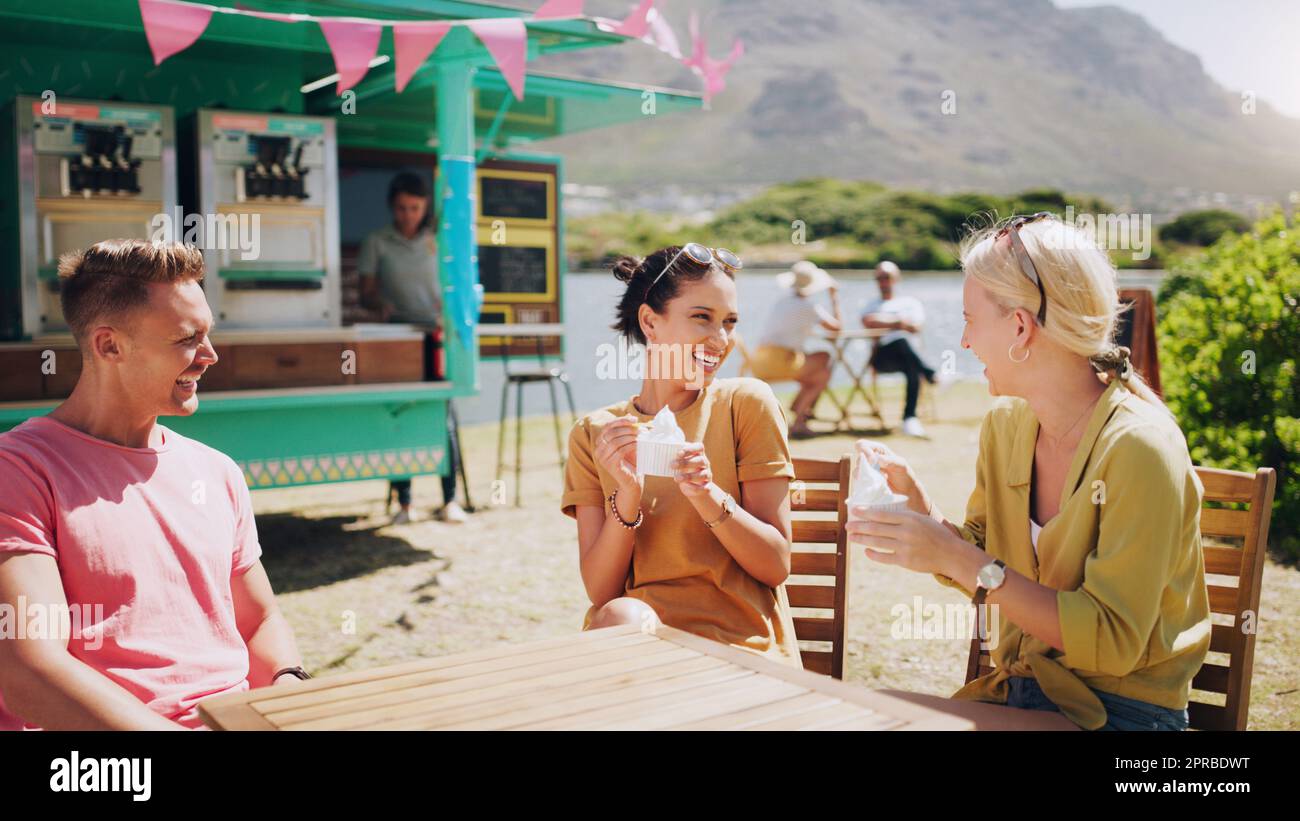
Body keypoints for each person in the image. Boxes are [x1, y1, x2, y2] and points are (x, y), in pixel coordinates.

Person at [846, 214, 1210, 730]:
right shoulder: (1007, 426)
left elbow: (1112, 642)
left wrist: (955, 555)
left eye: (970, 319)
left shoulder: (1139, 447)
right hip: (1020, 696)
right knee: (864, 714)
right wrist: (923, 515)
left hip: (1121, 714)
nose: (966, 342)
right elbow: (983, 557)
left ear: (1019, 326)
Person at [0, 240, 306, 730]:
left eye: (207, 335)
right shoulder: (18, 471)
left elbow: (259, 622)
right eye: (187, 339)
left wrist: (289, 691)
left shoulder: (217, 471)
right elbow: (29, 670)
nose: (209, 356)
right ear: (109, 346)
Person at [560, 244, 802, 666]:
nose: (721, 339)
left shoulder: (745, 403)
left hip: (741, 649)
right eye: (702, 318)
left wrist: (707, 494)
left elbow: (775, 565)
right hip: (639, 648)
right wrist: (627, 493)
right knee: (619, 614)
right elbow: (601, 593)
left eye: (729, 322)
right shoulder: (595, 434)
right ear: (651, 322)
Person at [357, 172, 466, 525]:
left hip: (436, 336)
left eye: (415, 208)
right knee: (399, 416)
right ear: (392, 206)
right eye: (402, 208)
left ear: (424, 208)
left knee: (442, 416)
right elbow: (365, 292)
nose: (408, 215)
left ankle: (450, 500)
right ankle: (405, 505)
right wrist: (379, 304)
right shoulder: (376, 240)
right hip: (396, 335)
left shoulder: (439, 241)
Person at [749, 260, 842, 439]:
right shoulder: (808, 307)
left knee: (819, 368)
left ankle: (799, 410)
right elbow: (837, 328)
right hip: (780, 361)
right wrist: (834, 297)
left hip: (760, 360)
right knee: (823, 367)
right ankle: (799, 419)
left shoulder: (782, 302)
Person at [861, 260, 938, 438]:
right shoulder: (871, 304)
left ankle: (910, 419)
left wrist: (884, 321)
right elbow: (868, 321)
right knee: (902, 341)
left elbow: (917, 326)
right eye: (879, 278)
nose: (883, 282)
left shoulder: (910, 303)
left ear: (896, 278)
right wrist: (900, 322)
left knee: (911, 364)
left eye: (886, 277)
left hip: (908, 357)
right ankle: (932, 375)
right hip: (882, 357)